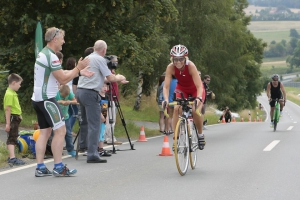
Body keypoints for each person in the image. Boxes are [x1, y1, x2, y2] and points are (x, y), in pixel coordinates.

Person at [31, 27, 93, 177]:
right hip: (48, 99)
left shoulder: (43, 54)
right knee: (61, 131)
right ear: (55, 39)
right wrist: (78, 68)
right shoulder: (51, 56)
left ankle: (40, 167)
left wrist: (79, 72)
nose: (64, 41)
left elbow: (58, 73)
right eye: (62, 39)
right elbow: (63, 79)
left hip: (38, 99)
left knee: (45, 133)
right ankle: (58, 167)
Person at [76, 40, 126, 163]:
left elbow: (98, 76)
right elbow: (110, 77)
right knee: (95, 124)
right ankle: (93, 154)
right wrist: (118, 78)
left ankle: (83, 146)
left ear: (94, 48)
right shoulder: (100, 60)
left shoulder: (88, 57)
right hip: (90, 93)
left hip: (80, 91)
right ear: (104, 50)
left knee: (85, 122)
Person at [163, 44, 205, 150]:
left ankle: (200, 135)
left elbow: (199, 85)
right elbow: (166, 87)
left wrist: (198, 98)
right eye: (175, 59)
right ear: (172, 59)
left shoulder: (190, 66)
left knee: (195, 110)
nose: (178, 62)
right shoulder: (170, 67)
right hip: (182, 89)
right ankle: (176, 140)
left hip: (196, 89)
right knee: (177, 109)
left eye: (180, 59)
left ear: (185, 58)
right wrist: (166, 100)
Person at [105, 55, 129, 145]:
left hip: (112, 97)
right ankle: (110, 138)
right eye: (115, 61)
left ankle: (106, 137)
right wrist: (118, 77)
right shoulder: (108, 72)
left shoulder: (111, 72)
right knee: (110, 119)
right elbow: (110, 81)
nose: (116, 63)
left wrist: (119, 80)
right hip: (110, 97)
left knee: (107, 118)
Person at [4, 73, 25, 166]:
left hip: (15, 117)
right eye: (19, 84)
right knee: (12, 137)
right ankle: (12, 158)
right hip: (12, 118)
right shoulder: (9, 94)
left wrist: (19, 115)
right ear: (14, 83)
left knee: (14, 135)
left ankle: (12, 156)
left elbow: (15, 106)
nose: (20, 86)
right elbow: (8, 109)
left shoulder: (12, 93)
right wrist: (8, 123)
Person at [55, 85, 77, 157]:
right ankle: (55, 149)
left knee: (68, 133)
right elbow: (52, 102)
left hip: (65, 117)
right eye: (63, 95)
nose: (65, 97)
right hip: (56, 117)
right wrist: (61, 101)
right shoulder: (56, 94)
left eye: (66, 96)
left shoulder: (69, 93)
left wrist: (69, 101)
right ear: (60, 92)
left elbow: (75, 101)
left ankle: (70, 149)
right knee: (56, 133)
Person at [65, 57, 78, 137]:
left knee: (69, 113)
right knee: (74, 113)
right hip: (71, 93)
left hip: (65, 92)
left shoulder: (65, 72)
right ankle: (68, 130)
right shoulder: (74, 73)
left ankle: (69, 129)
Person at [98, 83, 112, 156]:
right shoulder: (98, 96)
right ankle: (97, 149)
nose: (104, 88)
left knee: (102, 134)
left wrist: (107, 118)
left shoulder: (106, 96)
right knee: (98, 134)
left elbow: (107, 108)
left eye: (105, 86)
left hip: (104, 117)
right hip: (98, 118)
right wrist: (101, 116)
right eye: (102, 86)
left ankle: (101, 149)